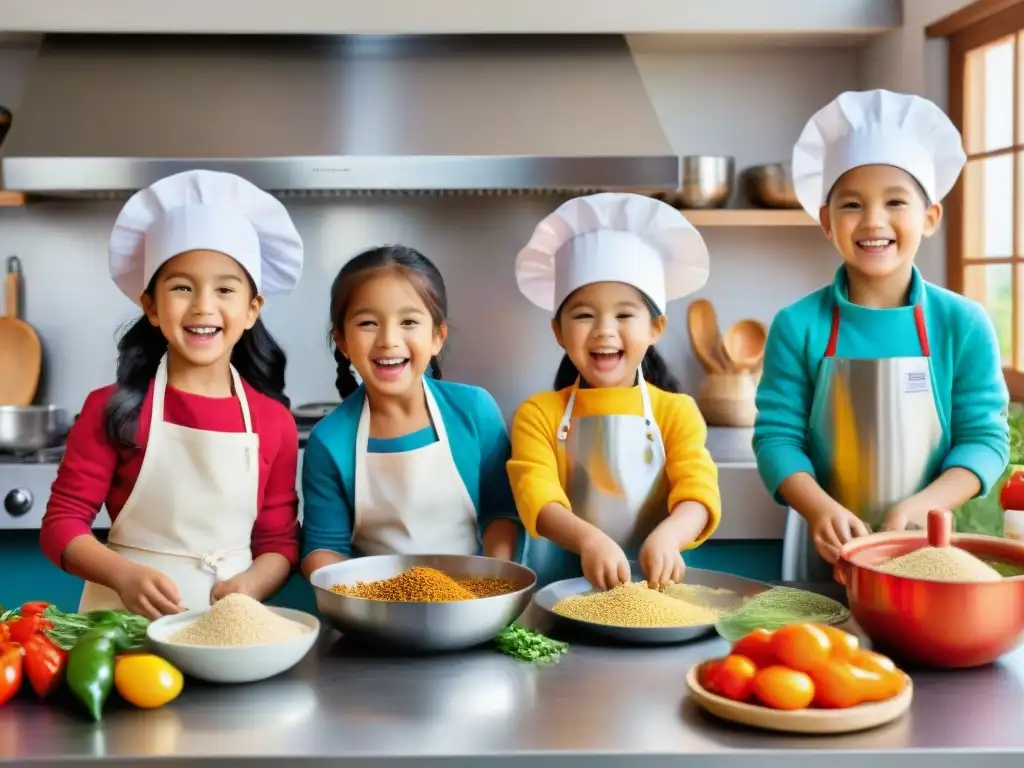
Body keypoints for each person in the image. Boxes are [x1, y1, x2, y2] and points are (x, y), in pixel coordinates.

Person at [753, 89, 1010, 582]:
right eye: (851, 205)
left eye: (895, 201)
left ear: (930, 217)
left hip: (934, 552)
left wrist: (926, 507)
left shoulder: (963, 323)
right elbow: (775, 438)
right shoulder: (797, 325)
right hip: (826, 556)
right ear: (827, 222)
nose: (873, 221)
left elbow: (985, 440)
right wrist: (819, 509)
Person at [39, 169, 304, 619]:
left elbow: (278, 542)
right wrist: (123, 575)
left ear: (251, 309)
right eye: (182, 287)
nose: (203, 306)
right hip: (121, 631)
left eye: (225, 289)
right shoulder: (113, 408)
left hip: (227, 632)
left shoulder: (273, 422)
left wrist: (250, 587)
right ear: (152, 306)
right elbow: (61, 525)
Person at [507, 192, 721, 590]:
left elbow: (698, 490)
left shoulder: (676, 412)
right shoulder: (539, 414)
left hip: (657, 597)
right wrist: (588, 540)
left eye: (624, 314)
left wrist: (669, 536)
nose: (605, 330)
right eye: (584, 315)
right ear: (558, 331)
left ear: (655, 328)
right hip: (557, 595)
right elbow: (536, 493)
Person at [299, 245, 523, 577]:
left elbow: (501, 512)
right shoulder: (329, 442)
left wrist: (496, 577)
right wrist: (362, 599)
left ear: (437, 336)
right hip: (375, 608)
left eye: (408, 321)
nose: (389, 340)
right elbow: (324, 548)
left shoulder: (474, 412)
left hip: (471, 595)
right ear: (342, 342)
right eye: (368, 323)